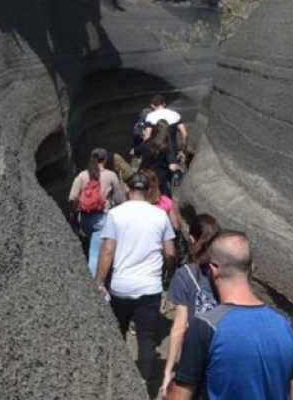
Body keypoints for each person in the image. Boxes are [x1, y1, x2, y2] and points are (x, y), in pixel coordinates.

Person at [167, 232, 293, 400]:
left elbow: (180, 397)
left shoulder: (206, 325)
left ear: (213, 269)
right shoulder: (284, 325)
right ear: (252, 268)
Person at [95, 172, 177, 396]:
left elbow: (108, 250)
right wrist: (169, 275)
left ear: (128, 189)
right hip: (150, 287)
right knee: (147, 337)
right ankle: (142, 384)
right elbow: (170, 252)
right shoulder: (159, 215)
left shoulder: (115, 214)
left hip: (121, 286)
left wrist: (99, 281)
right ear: (147, 190)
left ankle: (118, 376)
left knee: (117, 331)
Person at [158, 214, 220, 398]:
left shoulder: (185, 274)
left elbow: (178, 328)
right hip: (226, 352)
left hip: (196, 355)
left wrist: (168, 370)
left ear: (192, 239)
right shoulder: (227, 271)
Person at [67, 148, 125, 277]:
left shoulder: (82, 175)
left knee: (86, 248)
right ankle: (92, 287)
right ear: (105, 159)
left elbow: (72, 198)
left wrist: (73, 213)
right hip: (101, 219)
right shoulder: (111, 175)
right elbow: (119, 200)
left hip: (83, 219)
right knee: (95, 254)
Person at [134, 120, 179, 197]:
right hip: (160, 180)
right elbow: (172, 167)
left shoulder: (146, 143)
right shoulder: (166, 147)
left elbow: (134, 152)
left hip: (145, 176)